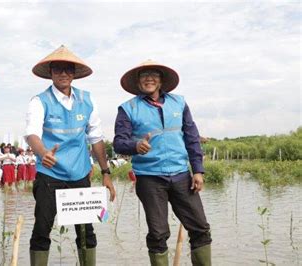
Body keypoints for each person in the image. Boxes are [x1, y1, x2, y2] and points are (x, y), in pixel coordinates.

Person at [113, 60, 212, 265]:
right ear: (138, 82)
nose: (149, 78)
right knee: (158, 233)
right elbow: (119, 143)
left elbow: (191, 138)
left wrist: (198, 171)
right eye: (144, 75)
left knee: (200, 227)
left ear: (161, 80)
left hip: (181, 175)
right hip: (149, 178)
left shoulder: (180, 103)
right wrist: (136, 145)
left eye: (154, 75)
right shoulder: (128, 108)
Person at [26, 45, 116, 265]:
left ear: (74, 74)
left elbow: (96, 138)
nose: (63, 73)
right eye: (58, 69)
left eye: (68, 69)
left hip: (79, 175)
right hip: (49, 175)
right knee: (41, 230)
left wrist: (106, 172)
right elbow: (32, 134)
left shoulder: (87, 100)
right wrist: (43, 152)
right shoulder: (39, 101)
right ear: (51, 73)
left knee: (86, 231)